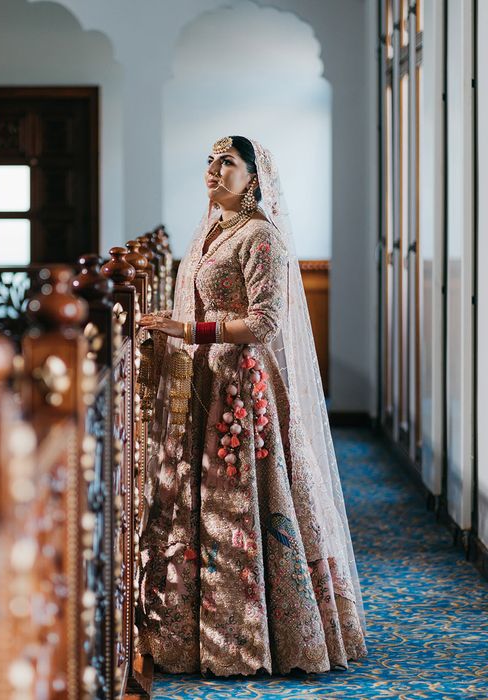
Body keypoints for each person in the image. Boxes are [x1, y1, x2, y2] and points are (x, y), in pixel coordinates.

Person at [136, 136, 367, 676]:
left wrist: (188, 329)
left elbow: (264, 323)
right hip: (202, 380)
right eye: (210, 163)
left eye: (228, 164)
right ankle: (192, 634)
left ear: (253, 178)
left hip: (239, 386)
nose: (214, 172)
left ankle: (257, 641)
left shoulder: (260, 237)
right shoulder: (212, 232)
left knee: (241, 505)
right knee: (201, 501)